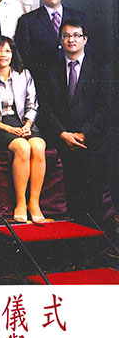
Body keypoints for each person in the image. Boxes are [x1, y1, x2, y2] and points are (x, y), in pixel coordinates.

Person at [38, 19, 113, 226]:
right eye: (66, 36)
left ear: (85, 39)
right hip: (61, 139)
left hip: (91, 141)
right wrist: (63, 134)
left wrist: (83, 134)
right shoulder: (50, 69)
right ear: (60, 40)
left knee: (92, 200)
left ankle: (95, 238)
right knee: (71, 200)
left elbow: (106, 108)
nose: (71, 40)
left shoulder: (101, 68)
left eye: (76, 35)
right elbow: (45, 107)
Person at [0, 35, 46, 223]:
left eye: (7, 51)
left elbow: (33, 104)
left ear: (13, 53)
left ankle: (34, 202)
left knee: (38, 146)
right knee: (22, 147)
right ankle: (20, 202)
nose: (3, 54)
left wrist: (27, 124)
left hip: (23, 122)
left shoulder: (24, 75)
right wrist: (8, 129)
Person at [15, 0, 89, 76]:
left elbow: (88, 49)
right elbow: (23, 53)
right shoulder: (28, 20)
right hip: (41, 77)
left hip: (72, 74)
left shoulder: (79, 17)